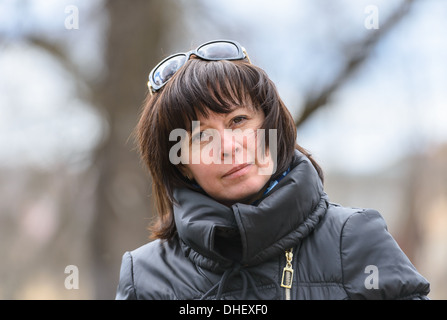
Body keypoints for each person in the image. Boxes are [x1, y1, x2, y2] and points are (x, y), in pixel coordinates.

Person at [116, 40, 430, 300]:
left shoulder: (355, 239)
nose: (228, 146)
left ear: (271, 127)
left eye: (238, 121)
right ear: (181, 165)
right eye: (201, 137)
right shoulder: (144, 275)